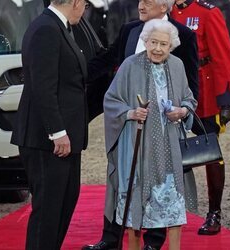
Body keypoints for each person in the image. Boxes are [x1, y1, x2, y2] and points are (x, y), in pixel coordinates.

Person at [83, 0, 199, 249]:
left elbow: (189, 94)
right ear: (146, 42)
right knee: (131, 202)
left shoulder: (178, 61)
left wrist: (183, 111)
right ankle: (113, 238)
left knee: (167, 201)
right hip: (134, 142)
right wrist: (130, 112)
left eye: (163, 44)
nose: (158, 48)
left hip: (167, 145)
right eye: (153, 43)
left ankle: (155, 243)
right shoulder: (130, 61)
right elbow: (111, 98)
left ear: (171, 46)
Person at [10, 0, 90, 249]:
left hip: (62, 139)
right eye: (85, 4)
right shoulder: (46, 28)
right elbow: (43, 87)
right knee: (48, 212)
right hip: (48, 141)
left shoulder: (58, 27)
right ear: (76, 2)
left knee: (63, 204)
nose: (85, 10)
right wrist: (57, 132)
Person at [171, 0, 230, 235]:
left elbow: (223, 56)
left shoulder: (208, 13)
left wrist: (225, 98)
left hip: (204, 90)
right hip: (172, 89)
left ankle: (214, 213)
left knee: (210, 152)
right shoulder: (165, 10)